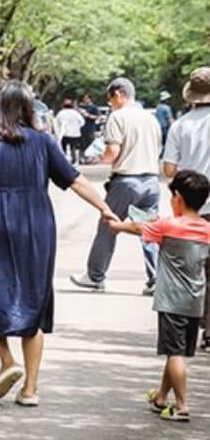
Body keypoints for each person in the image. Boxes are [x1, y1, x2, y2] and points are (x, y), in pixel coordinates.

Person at [0, 82, 115, 406]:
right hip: (37, 225)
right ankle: (30, 389)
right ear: (29, 108)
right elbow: (74, 179)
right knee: (34, 300)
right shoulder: (43, 142)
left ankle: (7, 361)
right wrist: (104, 207)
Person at [105, 169, 210, 423]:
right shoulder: (207, 228)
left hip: (171, 301)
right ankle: (162, 396)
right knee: (177, 352)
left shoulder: (169, 225)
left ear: (177, 197)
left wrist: (114, 224)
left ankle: (182, 405)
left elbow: (139, 227)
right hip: (195, 300)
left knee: (174, 354)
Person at [70, 77, 161, 295]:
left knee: (109, 225)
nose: (110, 103)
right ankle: (157, 278)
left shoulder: (117, 117)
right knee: (149, 231)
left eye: (110, 98)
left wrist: (98, 158)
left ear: (118, 94)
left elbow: (112, 153)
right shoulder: (150, 119)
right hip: (151, 181)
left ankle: (95, 275)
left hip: (126, 181)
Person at [161, 68, 210, 349]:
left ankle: (191, 327)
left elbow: (169, 169)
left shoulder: (181, 125)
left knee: (193, 271)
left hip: (193, 207)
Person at [55, 99, 85, 165]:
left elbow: (56, 123)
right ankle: (74, 161)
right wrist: (77, 127)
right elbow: (82, 122)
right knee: (73, 148)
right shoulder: (76, 113)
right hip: (75, 134)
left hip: (64, 134)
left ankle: (64, 160)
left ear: (63, 106)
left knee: (64, 148)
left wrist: (58, 131)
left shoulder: (60, 113)